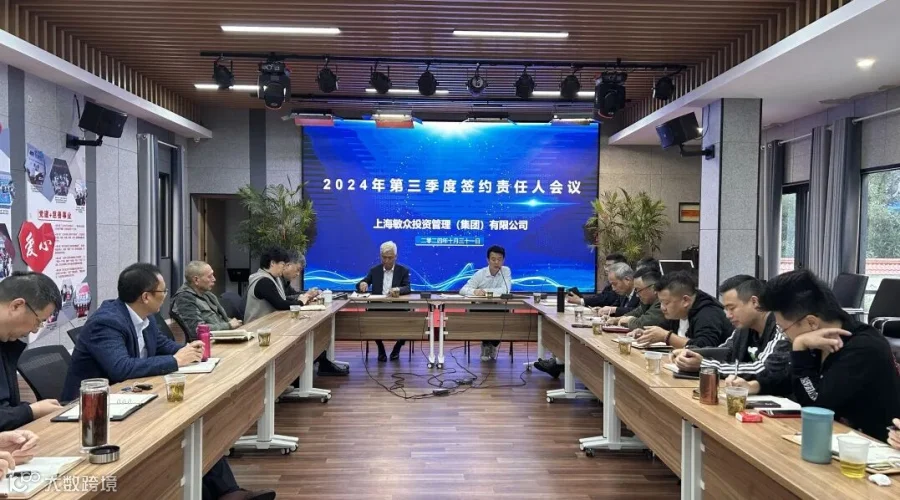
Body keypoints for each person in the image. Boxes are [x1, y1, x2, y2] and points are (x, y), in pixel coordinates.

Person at [62, 263, 275, 500]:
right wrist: (176, 361)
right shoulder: (107, 322)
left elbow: (163, 345)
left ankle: (226, 492)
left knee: (193, 421)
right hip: (93, 413)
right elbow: (121, 368)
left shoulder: (146, 316)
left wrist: (189, 350)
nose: (166, 296)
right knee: (179, 428)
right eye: (162, 291)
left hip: (130, 396)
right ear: (145, 296)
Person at [758, 269, 900, 442]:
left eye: (783, 329)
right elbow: (793, 380)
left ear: (812, 322)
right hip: (839, 439)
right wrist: (756, 385)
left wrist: (799, 346)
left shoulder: (863, 348)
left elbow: (816, 407)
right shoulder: (821, 338)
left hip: (873, 447)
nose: (784, 335)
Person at [671, 275, 791, 396]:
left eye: (732, 308)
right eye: (726, 309)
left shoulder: (780, 326)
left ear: (754, 302)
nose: (728, 315)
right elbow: (724, 352)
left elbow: (763, 369)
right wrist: (690, 353)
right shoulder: (744, 328)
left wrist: (704, 365)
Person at [0, 272, 63, 430]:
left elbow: (6, 406)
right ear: (16, 306)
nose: (35, 330)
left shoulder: (6, 343)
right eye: (38, 321)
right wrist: (32, 411)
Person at [281, 253, 347, 376]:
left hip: (286, 317)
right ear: (288, 265)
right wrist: (306, 296)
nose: (298, 274)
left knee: (318, 331)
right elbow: (283, 300)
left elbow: (293, 294)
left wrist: (308, 294)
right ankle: (303, 371)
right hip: (278, 322)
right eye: (298, 269)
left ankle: (322, 362)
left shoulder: (284, 281)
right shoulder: (275, 280)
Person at [632, 271, 731, 349]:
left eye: (666, 303)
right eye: (660, 302)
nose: (662, 307)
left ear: (685, 300)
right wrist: (647, 333)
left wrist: (667, 337)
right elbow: (663, 329)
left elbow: (704, 348)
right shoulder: (676, 313)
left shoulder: (708, 313)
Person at [357, 241, 412, 362]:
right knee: (371, 320)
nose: (387, 261)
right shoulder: (374, 270)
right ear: (380, 256)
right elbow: (364, 282)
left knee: (409, 322)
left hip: (398, 308)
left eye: (390, 258)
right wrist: (363, 284)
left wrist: (398, 290)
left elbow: (407, 287)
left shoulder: (403, 270)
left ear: (395, 257)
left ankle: (397, 347)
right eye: (384, 257)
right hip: (378, 307)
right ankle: (380, 348)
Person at [458, 245, 513, 361]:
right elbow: (463, 290)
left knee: (504, 316)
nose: (496, 262)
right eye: (493, 259)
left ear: (503, 260)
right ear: (488, 260)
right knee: (485, 316)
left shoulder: (506, 271)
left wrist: (485, 292)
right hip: (480, 308)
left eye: (499, 259)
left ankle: (492, 345)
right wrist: (475, 291)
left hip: (499, 308)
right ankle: (486, 345)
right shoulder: (480, 274)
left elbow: (506, 290)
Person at [171, 261, 242, 341]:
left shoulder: (206, 293)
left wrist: (234, 322)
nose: (214, 279)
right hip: (206, 344)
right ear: (196, 280)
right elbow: (197, 330)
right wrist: (228, 325)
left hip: (220, 339)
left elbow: (220, 319)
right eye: (210, 276)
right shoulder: (184, 299)